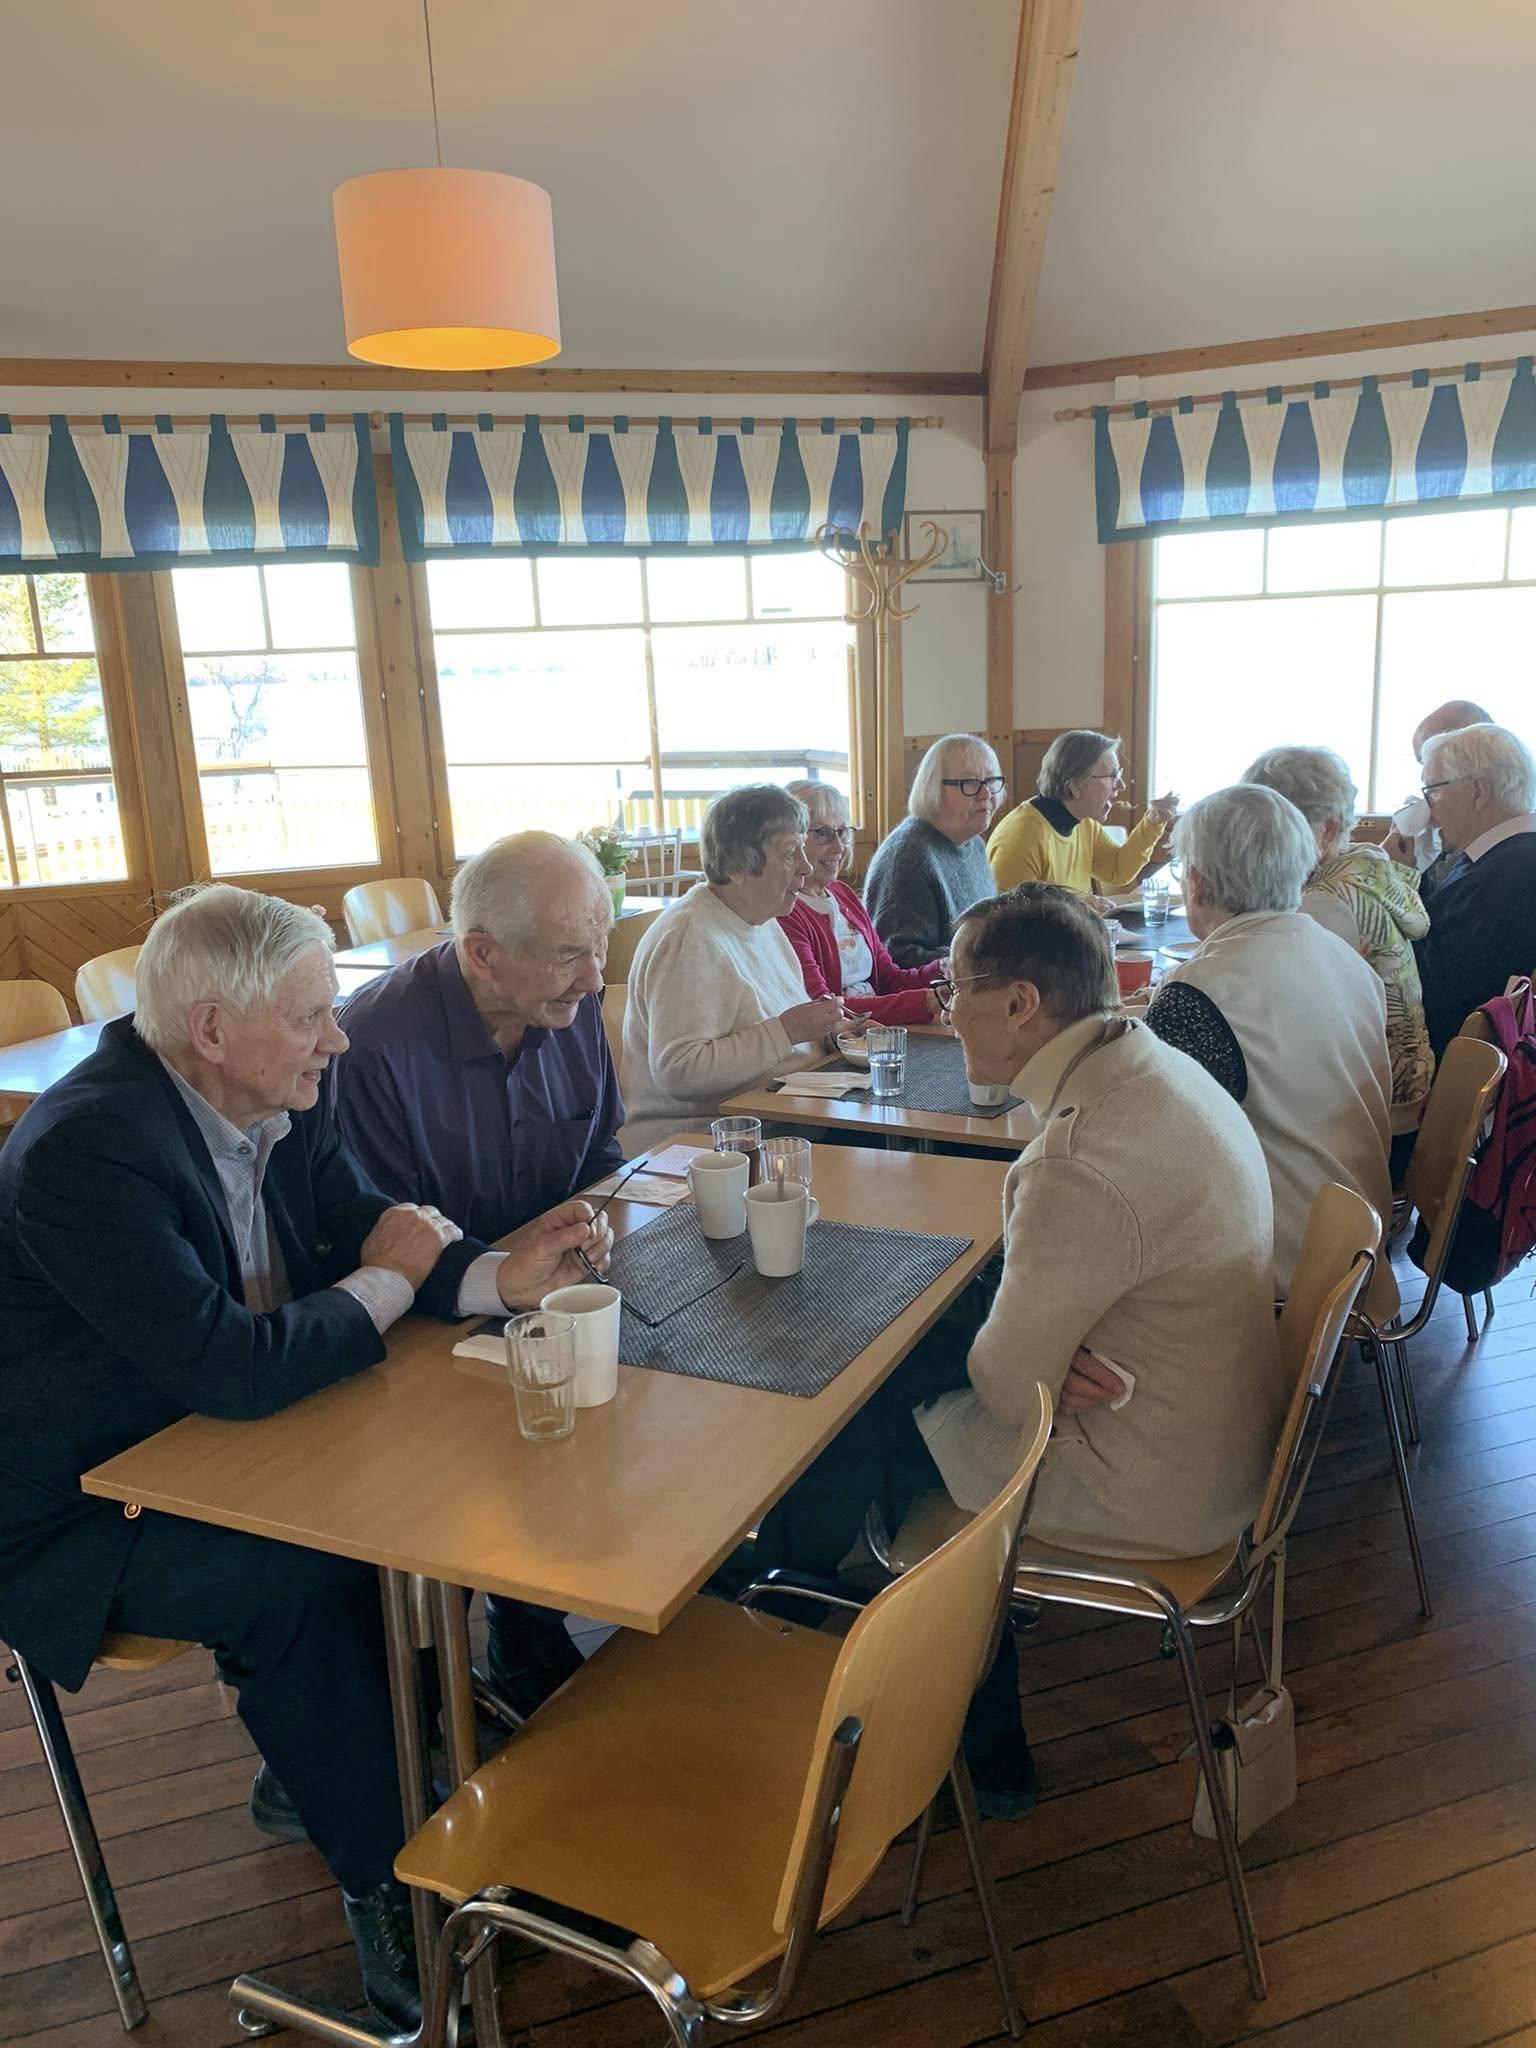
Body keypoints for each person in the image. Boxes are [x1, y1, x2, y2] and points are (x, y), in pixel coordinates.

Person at [0, 886, 611, 2033]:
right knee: (288, 1574)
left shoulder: (278, 1094)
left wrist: (501, 1276)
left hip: (222, 1431)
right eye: (311, 1015)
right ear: (212, 1028)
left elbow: (377, 1228)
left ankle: (342, 1763)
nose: (338, 1037)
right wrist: (386, 1279)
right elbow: (236, 1364)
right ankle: (394, 1880)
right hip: (82, 1498)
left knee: (417, 1493)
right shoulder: (87, 1147)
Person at [754, 885, 1282, 1815]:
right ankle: (809, 1608)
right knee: (912, 1362)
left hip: (1150, 1478)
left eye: (958, 989)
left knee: (866, 1413)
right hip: (1217, 1429)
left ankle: (813, 1638)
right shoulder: (1153, 1064)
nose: (947, 1010)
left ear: (1020, 1005)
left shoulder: (1082, 1156)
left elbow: (1006, 1391)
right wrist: (1040, 1336)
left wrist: (1022, 1345)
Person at [1145, 785, 1392, 1290]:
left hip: (1275, 1260)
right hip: (1354, 1241)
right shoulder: (1345, 958)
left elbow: (1150, 1148)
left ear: (1197, 882)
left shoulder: (1199, 991)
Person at [331, 832, 623, 1244]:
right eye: (568, 955)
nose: (594, 981)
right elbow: (387, 1239)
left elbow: (600, 1153)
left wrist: (594, 1234)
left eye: (600, 945)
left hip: (567, 1262)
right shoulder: (375, 1049)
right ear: (483, 954)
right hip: (446, 1280)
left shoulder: (569, 1004)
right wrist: (508, 1272)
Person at [620, 785, 856, 1154]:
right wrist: (788, 1031)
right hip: (705, 1147)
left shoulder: (762, 919)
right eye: (790, 854)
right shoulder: (689, 937)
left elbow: (778, 1036)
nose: (806, 867)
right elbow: (679, 1071)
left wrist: (832, 1033)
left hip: (784, 1120)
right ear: (738, 867)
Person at [1241, 745, 1432, 1174]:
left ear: (1326, 830)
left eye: (1275, 828)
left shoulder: (1325, 902)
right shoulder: (1364, 870)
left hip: (1369, 1124)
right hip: (1405, 1090)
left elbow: (1283, 1020)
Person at [1409, 722, 1536, 1058]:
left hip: (1459, 1063)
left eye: (1432, 792)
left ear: (1479, 791)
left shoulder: (1505, 875)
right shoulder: (1505, 859)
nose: (1428, 813)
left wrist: (1393, 877)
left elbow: (1424, 986)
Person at [777, 780, 943, 1024]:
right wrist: (925, 1002)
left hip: (875, 1032)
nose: (839, 847)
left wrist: (945, 968)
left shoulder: (843, 895)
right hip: (842, 1039)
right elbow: (825, 1008)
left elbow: (891, 979)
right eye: (823, 834)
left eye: (842, 832)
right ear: (792, 842)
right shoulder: (786, 911)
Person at [863, 733, 1004, 967]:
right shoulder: (908, 857)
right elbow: (900, 959)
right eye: (970, 782)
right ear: (934, 789)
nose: (986, 794)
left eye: (991, 781)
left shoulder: (974, 843)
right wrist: (993, 960)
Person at [986, 729, 1177, 899]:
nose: (1121, 785)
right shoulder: (1021, 839)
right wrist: (1079, 908)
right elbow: (1013, 921)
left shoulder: (1084, 822)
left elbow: (1117, 870)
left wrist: (1152, 824)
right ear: (1076, 786)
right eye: (1113, 776)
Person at [1385, 698, 1493, 894]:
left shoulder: (1502, 856)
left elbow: (1448, 912)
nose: (1423, 777)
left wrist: (1401, 878)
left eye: (1430, 758)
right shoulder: (1450, 834)